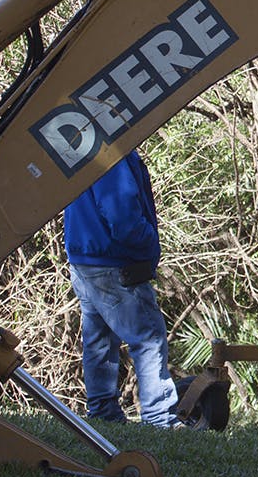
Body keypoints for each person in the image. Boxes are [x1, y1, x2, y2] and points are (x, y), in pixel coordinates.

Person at [63, 149, 180, 428]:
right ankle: (159, 417)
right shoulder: (111, 153)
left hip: (83, 258)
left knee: (98, 340)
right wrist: (150, 245)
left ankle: (103, 412)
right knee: (148, 337)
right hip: (113, 260)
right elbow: (122, 215)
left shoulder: (82, 145)